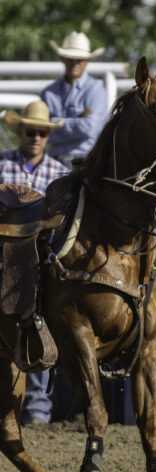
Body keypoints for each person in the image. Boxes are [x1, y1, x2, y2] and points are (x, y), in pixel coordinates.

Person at [0, 101, 70, 426]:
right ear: (21, 133)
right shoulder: (3, 164)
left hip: (41, 259)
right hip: (5, 254)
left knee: (39, 321)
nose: (37, 137)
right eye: (32, 131)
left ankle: (38, 407)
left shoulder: (60, 172)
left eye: (42, 132)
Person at [41, 32, 108, 167]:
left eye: (80, 59)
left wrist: (54, 122)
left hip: (86, 162)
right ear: (62, 58)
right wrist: (79, 120)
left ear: (87, 61)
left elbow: (89, 128)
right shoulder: (48, 92)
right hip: (54, 161)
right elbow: (44, 132)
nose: (75, 63)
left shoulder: (96, 90)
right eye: (71, 58)